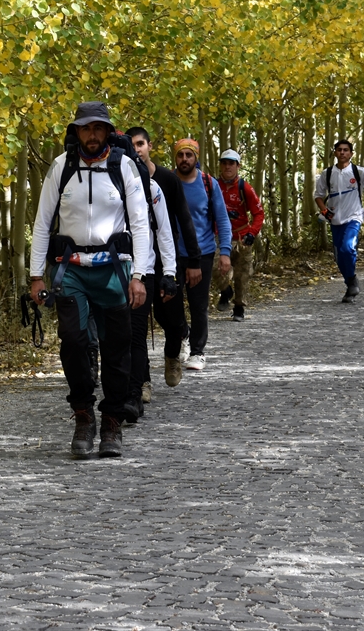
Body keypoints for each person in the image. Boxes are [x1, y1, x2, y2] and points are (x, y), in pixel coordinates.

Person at [29, 101, 152, 459]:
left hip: (114, 270)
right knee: (72, 340)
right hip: (71, 269)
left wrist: (139, 276)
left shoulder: (125, 166)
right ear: (77, 132)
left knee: (117, 348)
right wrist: (36, 275)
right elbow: (42, 222)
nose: (93, 135)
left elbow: (140, 224)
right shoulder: (61, 166)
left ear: (109, 131)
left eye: (99, 128)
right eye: (86, 128)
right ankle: (83, 415)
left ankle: (112, 420)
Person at [126, 126, 200, 399]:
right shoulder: (120, 179)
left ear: (149, 146)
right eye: (132, 144)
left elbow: (182, 220)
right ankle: (142, 381)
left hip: (165, 259)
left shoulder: (167, 180)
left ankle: (171, 355)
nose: (137, 149)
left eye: (141, 144)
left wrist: (192, 260)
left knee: (172, 321)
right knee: (136, 325)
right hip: (135, 263)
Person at [169, 138, 232, 374]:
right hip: (172, 255)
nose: (184, 159)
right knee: (172, 305)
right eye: (180, 155)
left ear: (196, 157)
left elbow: (222, 219)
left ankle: (197, 351)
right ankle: (183, 335)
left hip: (203, 252)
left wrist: (224, 252)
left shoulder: (208, 183)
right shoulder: (167, 182)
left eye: (189, 155)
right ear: (175, 158)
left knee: (199, 305)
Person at [314, 140, 364, 303]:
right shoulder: (327, 173)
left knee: (348, 247)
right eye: (339, 150)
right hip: (335, 219)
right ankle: (350, 284)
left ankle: (351, 283)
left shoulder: (358, 171)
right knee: (339, 257)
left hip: (354, 217)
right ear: (335, 153)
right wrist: (324, 211)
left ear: (351, 154)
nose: (342, 152)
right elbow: (318, 195)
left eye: (346, 150)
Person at [214, 149, 265, 322]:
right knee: (214, 267)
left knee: (242, 275)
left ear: (238, 166)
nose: (227, 167)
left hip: (241, 236)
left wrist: (252, 233)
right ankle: (225, 291)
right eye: (224, 163)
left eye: (231, 163)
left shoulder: (245, 187)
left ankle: (238, 307)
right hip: (218, 236)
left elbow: (259, 213)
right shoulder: (213, 185)